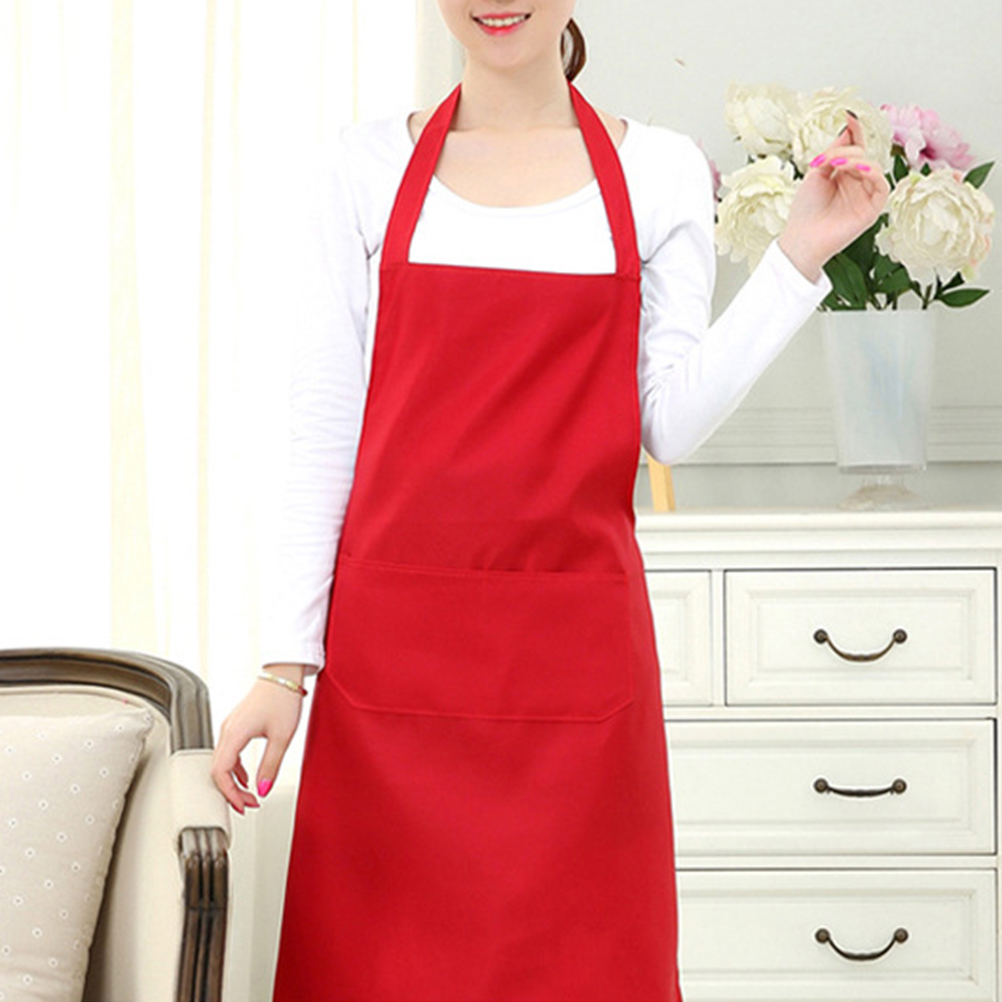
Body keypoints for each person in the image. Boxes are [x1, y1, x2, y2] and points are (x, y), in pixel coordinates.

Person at [210, 3, 889, 999]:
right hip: (393, 681)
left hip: (576, 685)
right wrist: (285, 667)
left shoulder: (657, 172)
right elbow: (324, 429)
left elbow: (668, 423)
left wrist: (798, 258)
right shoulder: (360, 170)